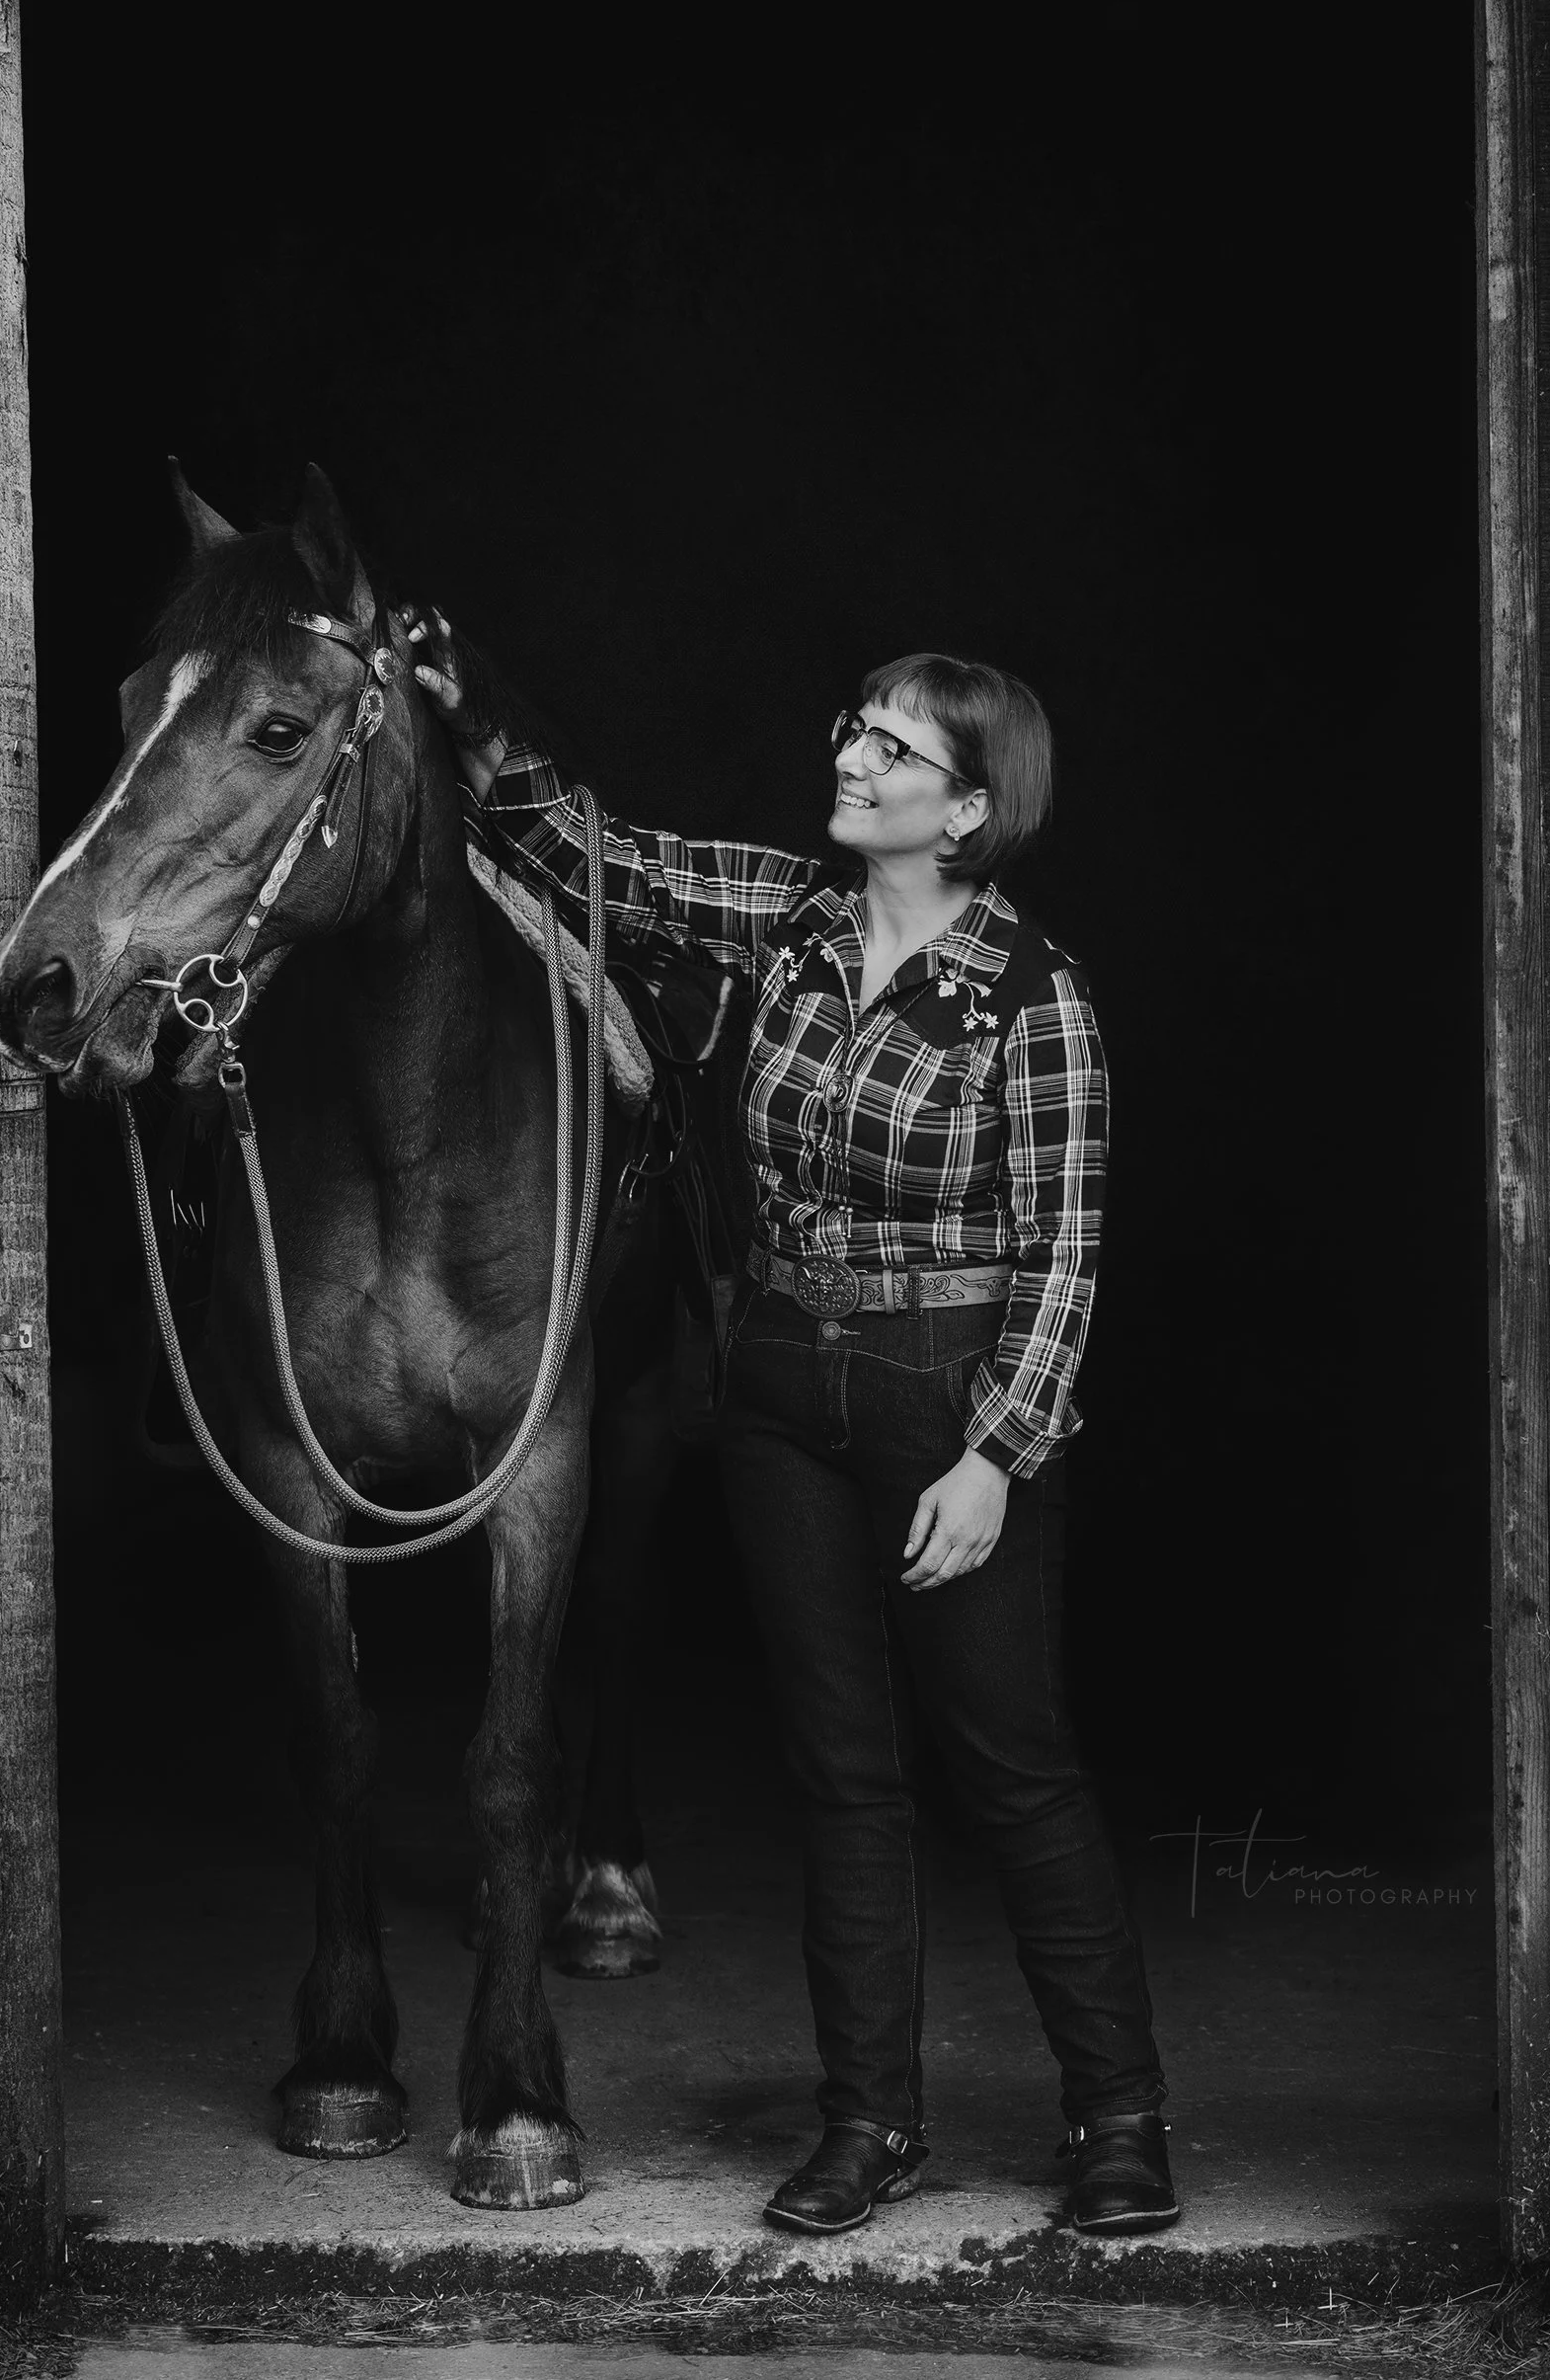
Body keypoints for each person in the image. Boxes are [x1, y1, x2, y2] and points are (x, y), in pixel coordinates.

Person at [410, 614, 1176, 2239]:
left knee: (1015, 1767)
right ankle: (866, 2125)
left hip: (948, 1387)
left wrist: (996, 1455)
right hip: (775, 1390)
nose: (853, 755)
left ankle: (1119, 2122)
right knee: (843, 1777)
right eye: (856, 728)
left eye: (895, 748)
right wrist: (458, 703)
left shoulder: (1035, 996)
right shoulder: (794, 916)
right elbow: (580, 850)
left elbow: (1066, 1250)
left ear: (971, 808)